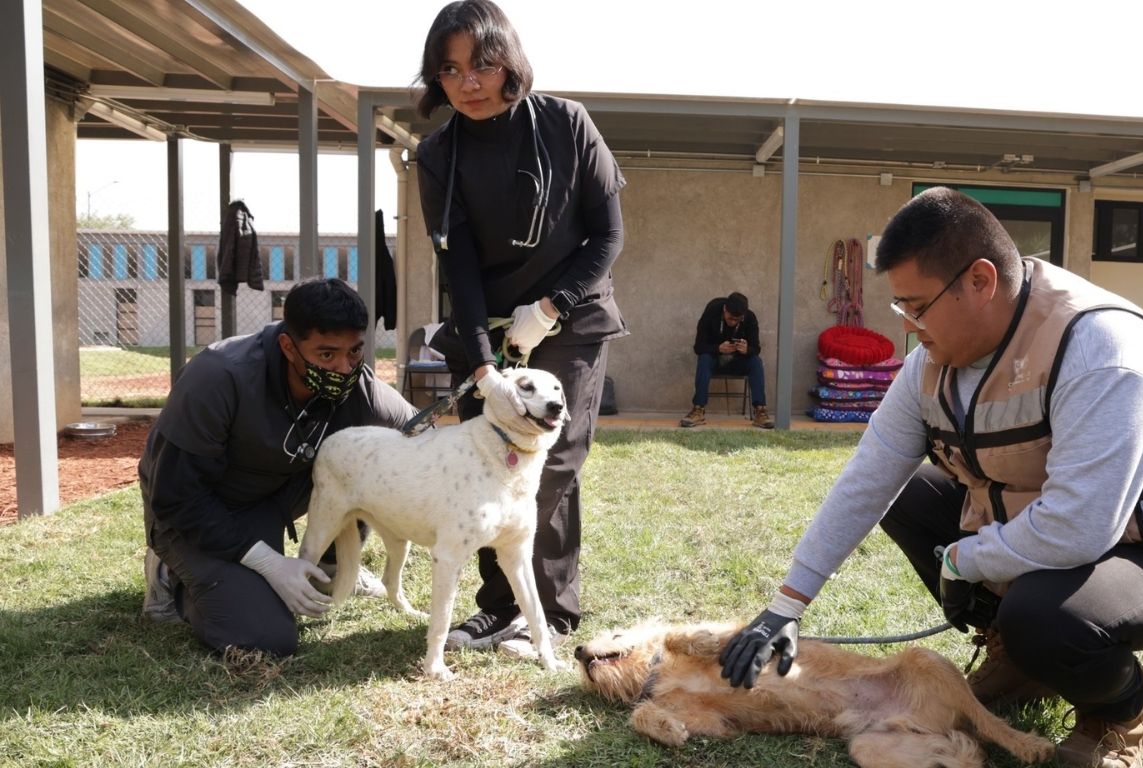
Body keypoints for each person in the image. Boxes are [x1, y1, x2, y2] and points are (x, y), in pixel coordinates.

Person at [720, 187, 1143, 768]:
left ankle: (1124, 705)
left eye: (916, 305)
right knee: (907, 495)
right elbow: (868, 477)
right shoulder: (931, 359)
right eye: (900, 308)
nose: (908, 326)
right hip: (1050, 533)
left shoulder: (1103, 351)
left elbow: (1078, 529)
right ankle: (1020, 659)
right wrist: (787, 605)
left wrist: (962, 560)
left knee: (1046, 620)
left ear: (980, 281)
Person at [413, 0, 627, 659]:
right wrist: (482, 367)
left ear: (511, 62)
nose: (469, 82)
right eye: (450, 70)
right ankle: (518, 607)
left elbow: (608, 234)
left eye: (482, 63)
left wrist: (552, 307)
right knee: (487, 455)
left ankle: (537, 612)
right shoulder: (438, 154)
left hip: (572, 312)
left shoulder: (566, 124)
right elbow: (462, 269)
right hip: (488, 325)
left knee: (550, 457)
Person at [138, 278, 417, 656]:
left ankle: (331, 568)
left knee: (371, 456)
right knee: (266, 638)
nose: (342, 368)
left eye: (354, 352)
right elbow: (176, 495)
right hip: (200, 509)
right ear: (288, 346)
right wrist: (269, 562)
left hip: (272, 497)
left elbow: (421, 434)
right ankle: (173, 577)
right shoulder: (220, 376)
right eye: (326, 355)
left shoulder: (357, 384)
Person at [679, 291, 775, 429]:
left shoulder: (749, 317)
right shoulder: (712, 312)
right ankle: (698, 410)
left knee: (755, 361)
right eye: (730, 318)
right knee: (704, 358)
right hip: (714, 360)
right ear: (725, 309)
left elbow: (756, 348)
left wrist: (747, 349)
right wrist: (718, 348)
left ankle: (760, 411)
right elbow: (698, 347)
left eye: (737, 319)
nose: (733, 322)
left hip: (738, 361)